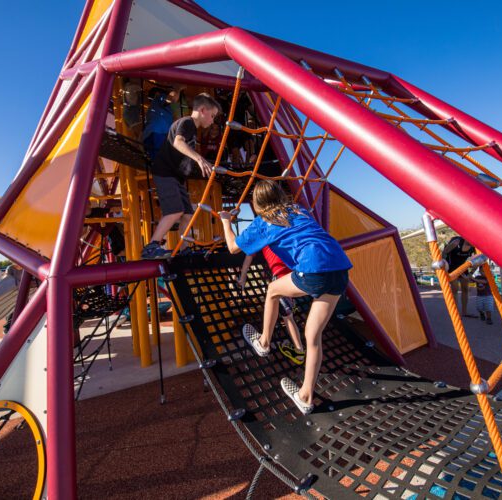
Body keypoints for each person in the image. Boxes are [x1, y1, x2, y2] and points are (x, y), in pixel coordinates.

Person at [219, 180, 352, 415]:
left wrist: (225, 221)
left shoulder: (263, 222)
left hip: (314, 268)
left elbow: (232, 247)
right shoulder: (299, 209)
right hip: (340, 268)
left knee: (272, 290)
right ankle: (305, 396)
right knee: (313, 335)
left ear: (258, 204)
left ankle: (264, 343)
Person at [141, 93, 222, 260]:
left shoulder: (192, 128)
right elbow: (178, 142)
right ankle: (151, 246)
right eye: (212, 116)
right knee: (175, 210)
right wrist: (199, 159)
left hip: (176, 177)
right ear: (202, 110)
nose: (212, 121)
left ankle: (183, 247)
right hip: (165, 173)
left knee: (187, 214)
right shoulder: (187, 122)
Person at [238, 247, 306, 365]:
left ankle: (267, 344)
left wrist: (243, 276)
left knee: (287, 317)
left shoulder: (263, 233)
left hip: (281, 277)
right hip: (294, 275)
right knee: (287, 315)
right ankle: (298, 349)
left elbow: (249, 254)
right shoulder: (281, 232)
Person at [142, 85, 183, 160]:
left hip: (150, 135)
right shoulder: (159, 98)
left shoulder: (152, 108)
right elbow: (172, 99)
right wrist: (178, 87)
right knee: (162, 158)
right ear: (157, 94)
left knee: (157, 159)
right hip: (158, 133)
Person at [442, 236, 476, 318]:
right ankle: (455, 312)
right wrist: (444, 269)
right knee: (455, 290)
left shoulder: (474, 246)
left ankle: (464, 312)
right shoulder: (456, 243)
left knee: (465, 289)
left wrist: (471, 273)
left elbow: (477, 260)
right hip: (452, 269)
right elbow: (444, 253)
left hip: (463, 268)